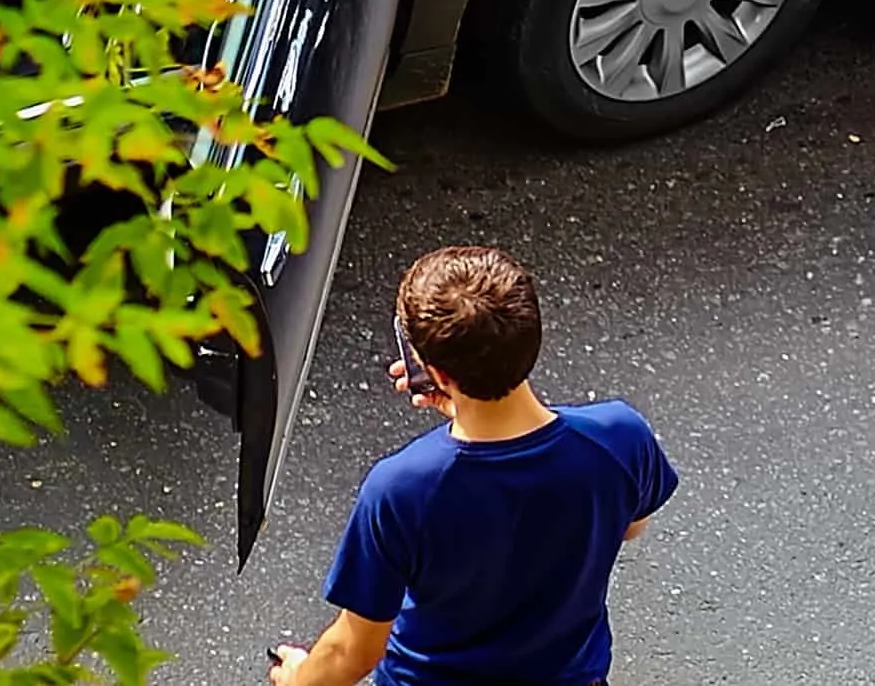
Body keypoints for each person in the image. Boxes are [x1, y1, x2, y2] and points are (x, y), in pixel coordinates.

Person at [269, 245, 677, 686]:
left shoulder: (401, 487)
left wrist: (296, 678)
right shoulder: (618, 435)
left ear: (439, 376)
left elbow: (355, 649)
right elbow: (630, 526)